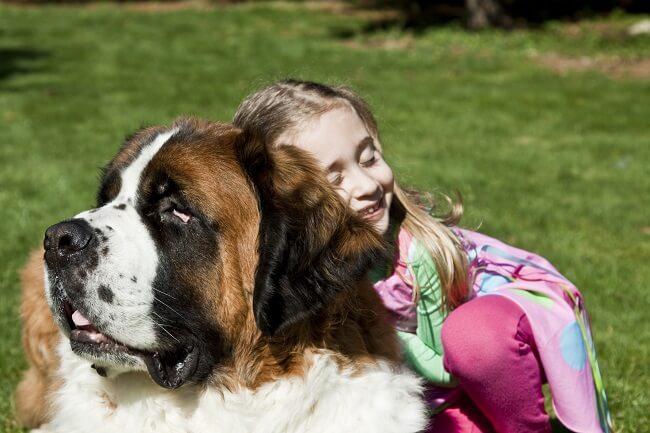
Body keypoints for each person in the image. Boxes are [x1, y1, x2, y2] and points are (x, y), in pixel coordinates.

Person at [233, 79, 612, 433]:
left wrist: (373, 333)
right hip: (432, 396)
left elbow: (441, 367)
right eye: (334, 178)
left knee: (474, 338)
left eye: (368, 159)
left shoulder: (418, 256)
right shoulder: (291, 278)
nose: (366, 185)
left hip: (497, 338)